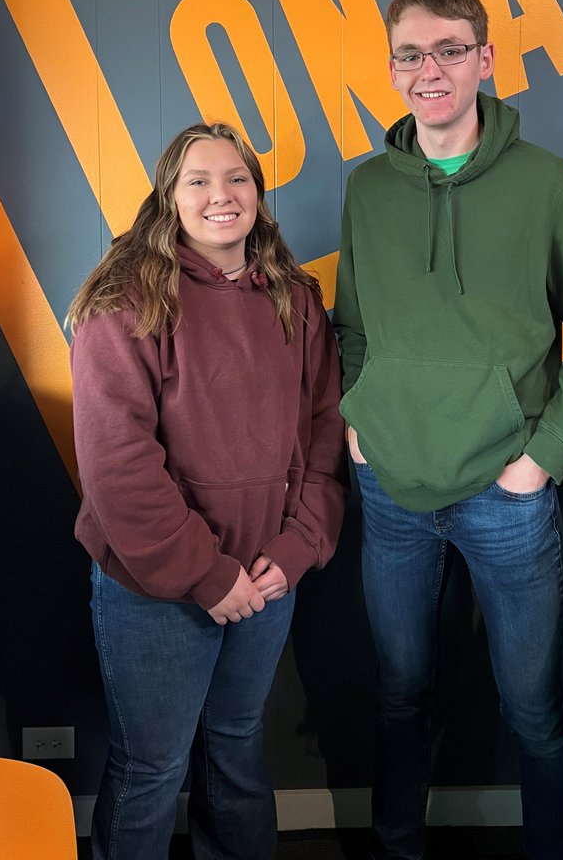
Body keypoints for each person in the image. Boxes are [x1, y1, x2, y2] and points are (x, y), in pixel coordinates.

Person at [333, 0, 563, 860]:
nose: (430, 70)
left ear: (485, 60)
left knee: (533, 710)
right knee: (398, 696)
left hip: (508, 498)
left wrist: (538, 462)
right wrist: (361, 422)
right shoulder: (368, 191)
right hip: (392, 491)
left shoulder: (548, 184)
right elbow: (352, 328)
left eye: (449, 50)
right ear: (392, 69)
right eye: (411, 54)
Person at [67, 121, 347, 860]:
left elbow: (323, 434)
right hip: (154, 587)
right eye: (199, 180)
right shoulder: (124, 302)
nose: (221, 195)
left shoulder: (296, 297)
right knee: (152, 770)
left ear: (257, 193)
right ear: (169, 197)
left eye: (237, 179)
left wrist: (295, 550)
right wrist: (207, 573)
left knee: (237, 749)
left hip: (266, 579)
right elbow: (118, 465)